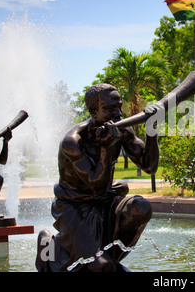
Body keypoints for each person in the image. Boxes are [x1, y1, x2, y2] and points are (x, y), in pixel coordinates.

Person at [36, 83, 162, 272]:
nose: (118, 113)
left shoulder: (122, 129)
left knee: (140, 207)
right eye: (110, 109)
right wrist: (105, 148)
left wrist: (151, 132)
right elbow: (97, 185)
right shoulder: (73, 141)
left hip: (104, 199)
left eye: (119, 106)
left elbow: (149, 166)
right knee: (100, 267)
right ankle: (50, 248)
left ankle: (108, 261)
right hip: (75, 206)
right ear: (94, 111)